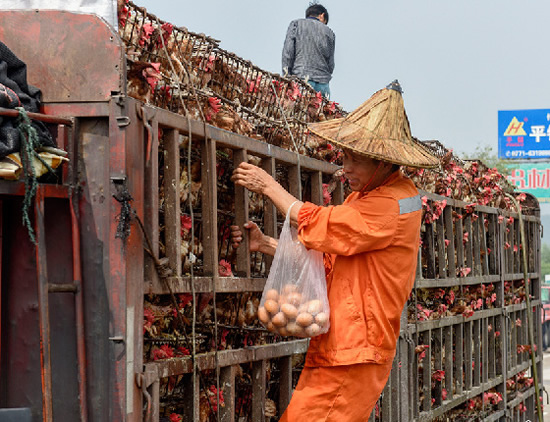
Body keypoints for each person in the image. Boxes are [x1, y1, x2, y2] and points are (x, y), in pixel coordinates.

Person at [230, 80, 439, 421]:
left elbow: (323, 223)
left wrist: (269, 187)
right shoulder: (372, 195)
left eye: (356, 161)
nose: (347, 169)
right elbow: (334, 259)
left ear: (384, 162)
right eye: (346, 157)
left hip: (356, 348)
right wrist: (268, 245)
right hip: (344, 344)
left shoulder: (392, 203)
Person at [282, 3, 335, 99]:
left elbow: (288, 53)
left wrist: (287, 75)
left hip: (301, 80)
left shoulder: (296, 24)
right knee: (321, 112)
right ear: (322, 15)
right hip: (323, 86)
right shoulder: (330, 33)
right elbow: (331, 65)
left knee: (298, 112)